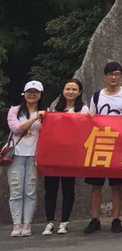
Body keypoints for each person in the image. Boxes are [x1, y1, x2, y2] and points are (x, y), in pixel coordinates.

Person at [85, 61, 122, 234]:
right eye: (110, 74)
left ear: (121, 76)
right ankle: (95, 218)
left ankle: (116, 218)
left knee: (116, 185)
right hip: (100, 144)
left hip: (119, 145)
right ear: (104, 76)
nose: (113, 77)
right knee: (95, 185)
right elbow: (91, 118)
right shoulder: (97, 96)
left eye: (117, 74)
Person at [42, 79, 89, 235]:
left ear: (79, 92)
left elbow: (85, 129)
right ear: (63, 91)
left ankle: (64, 222)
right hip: (53, 153)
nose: (70, 92)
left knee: (68, 188)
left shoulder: (83, 109)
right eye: (68, 88)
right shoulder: (54, 108)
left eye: (74, 89)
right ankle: (49, 221)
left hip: (71, 155)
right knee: (50, 188)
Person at [6, 80, 44, 237]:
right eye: (29, 91)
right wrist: (35, 118)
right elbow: (16, 128)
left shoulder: (45, 113)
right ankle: (17, 224)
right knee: (16, 191)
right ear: (24, 93)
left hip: (35, 156)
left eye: (35, 92)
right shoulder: (14, 111)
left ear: (40, 94)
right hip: (16, 156)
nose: (32, 94)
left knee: (30, 191)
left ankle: (27, 223)